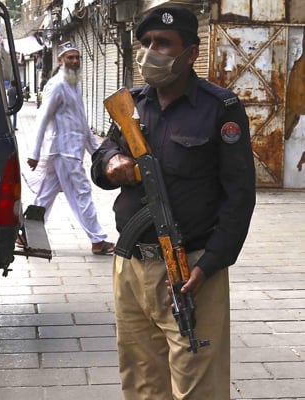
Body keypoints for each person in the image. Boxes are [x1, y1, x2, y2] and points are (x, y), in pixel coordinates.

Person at [90, 6, 256, 399]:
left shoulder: (220, 109)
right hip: (130, 269)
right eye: (146, 43)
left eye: (163, 43)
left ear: (190, 53)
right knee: (142, 384)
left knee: (199, 388)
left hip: (190, 270)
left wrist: (211, 264)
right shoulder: (131, 105)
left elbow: (239, 196)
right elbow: (102, 158)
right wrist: (110, 162)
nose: (151, 52)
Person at [26, 42, 115, 256]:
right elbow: (42, 117)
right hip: (64, 151)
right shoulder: (56, 85)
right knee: (82, 192)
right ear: (60, 60)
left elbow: (81, 122)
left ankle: (26, 235)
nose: (74, 61)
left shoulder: (74, 83)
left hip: (67, 151)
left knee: (44, 195)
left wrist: (96, 151)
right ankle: (97, 240)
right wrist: (33, 153)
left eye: (77, 58)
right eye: (70, 58)